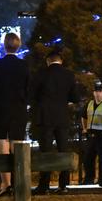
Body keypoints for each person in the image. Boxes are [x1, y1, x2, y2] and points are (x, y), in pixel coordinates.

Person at [0, 33, 30, 197]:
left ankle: (6, 184)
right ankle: (18, 183)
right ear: (19, 46)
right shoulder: (24, 66)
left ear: (4, 45)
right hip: (18, 110)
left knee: (2, 149)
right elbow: (29, 89)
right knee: (17, 148)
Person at [30, 51, 78, 195]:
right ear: (61, 61)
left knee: (46, 151)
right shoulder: (69, 75)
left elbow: (32, 95)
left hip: (45, 117)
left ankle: (44, 185)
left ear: (48, 61)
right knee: (63, 150)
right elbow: (75, 97)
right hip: (62, 117)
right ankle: (63, 185)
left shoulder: (41, 74)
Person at [80, 80, 102, 185]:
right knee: (88, 159)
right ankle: (89, 179)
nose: (98, 93)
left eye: (100, 91)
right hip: (91, 135)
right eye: (96, 91)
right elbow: (83, 116)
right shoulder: (89, 104)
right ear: (93, 93)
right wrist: (84, 128)